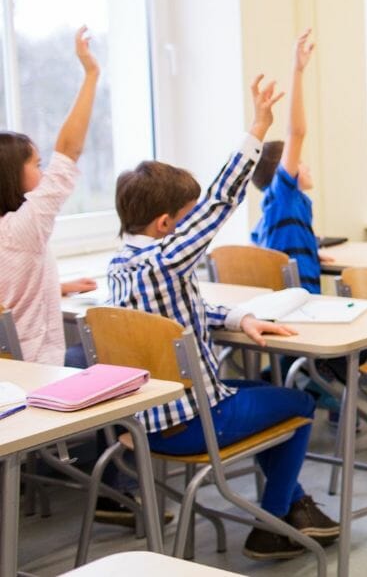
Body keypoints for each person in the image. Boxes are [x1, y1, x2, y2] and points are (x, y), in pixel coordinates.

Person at [108, 75, 338, 560]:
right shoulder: (165, 259)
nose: (198, 226)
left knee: (264, 396)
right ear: (167, 225)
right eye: (187, 219)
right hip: (193, 421)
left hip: (144, 422)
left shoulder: (122, 268)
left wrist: (238, 317)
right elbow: (220, 201)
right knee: (298, 404)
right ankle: (272, 522)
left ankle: (291, 506)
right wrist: (257, 126)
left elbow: (176, 313)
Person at [0, 27, 98, 365]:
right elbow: (69, 151)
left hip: (11, 373)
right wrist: (91, 74)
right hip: (39, 368)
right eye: (36, 164)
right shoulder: (22, 228)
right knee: (114, 352)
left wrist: (58, 287)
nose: (43, 173)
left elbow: (9, 296)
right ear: (12, 174)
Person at [250, 29, 323, 294]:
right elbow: (297, 132)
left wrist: (312, 251)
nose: (306, 166)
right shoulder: (283, 198)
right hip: (301, 305)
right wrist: (298, 71)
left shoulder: (274, 211)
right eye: (300, 162)